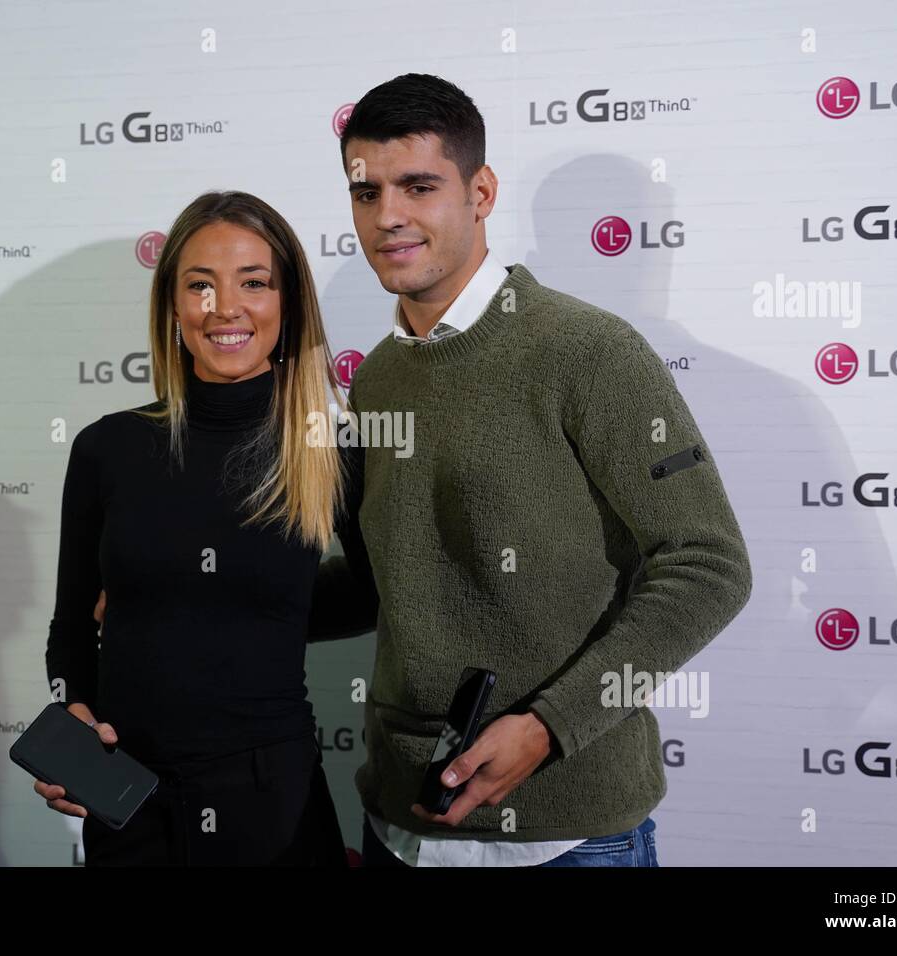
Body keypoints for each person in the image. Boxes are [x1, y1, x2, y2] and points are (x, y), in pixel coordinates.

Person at [314, 73, 754, 866]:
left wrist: (551, 726)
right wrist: (196, 595)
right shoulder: (374, 377)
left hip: (569, 837)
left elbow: (709, 566)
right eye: (366, 191)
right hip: (399, 824)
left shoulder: (587, 352)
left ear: (479, 192)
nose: (388, 217)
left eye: (419, 186)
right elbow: (382, 580)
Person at [34, 190, 375, 866]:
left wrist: (252, 610)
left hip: (275, 804)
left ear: (289, 303)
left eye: (253, 282)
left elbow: (370, 594)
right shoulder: (109, 448)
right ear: (172, 304)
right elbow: (71, 626)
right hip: (128, 801)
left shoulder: (331, 448)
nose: (225, 308)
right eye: (201, 285)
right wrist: (71, 714)